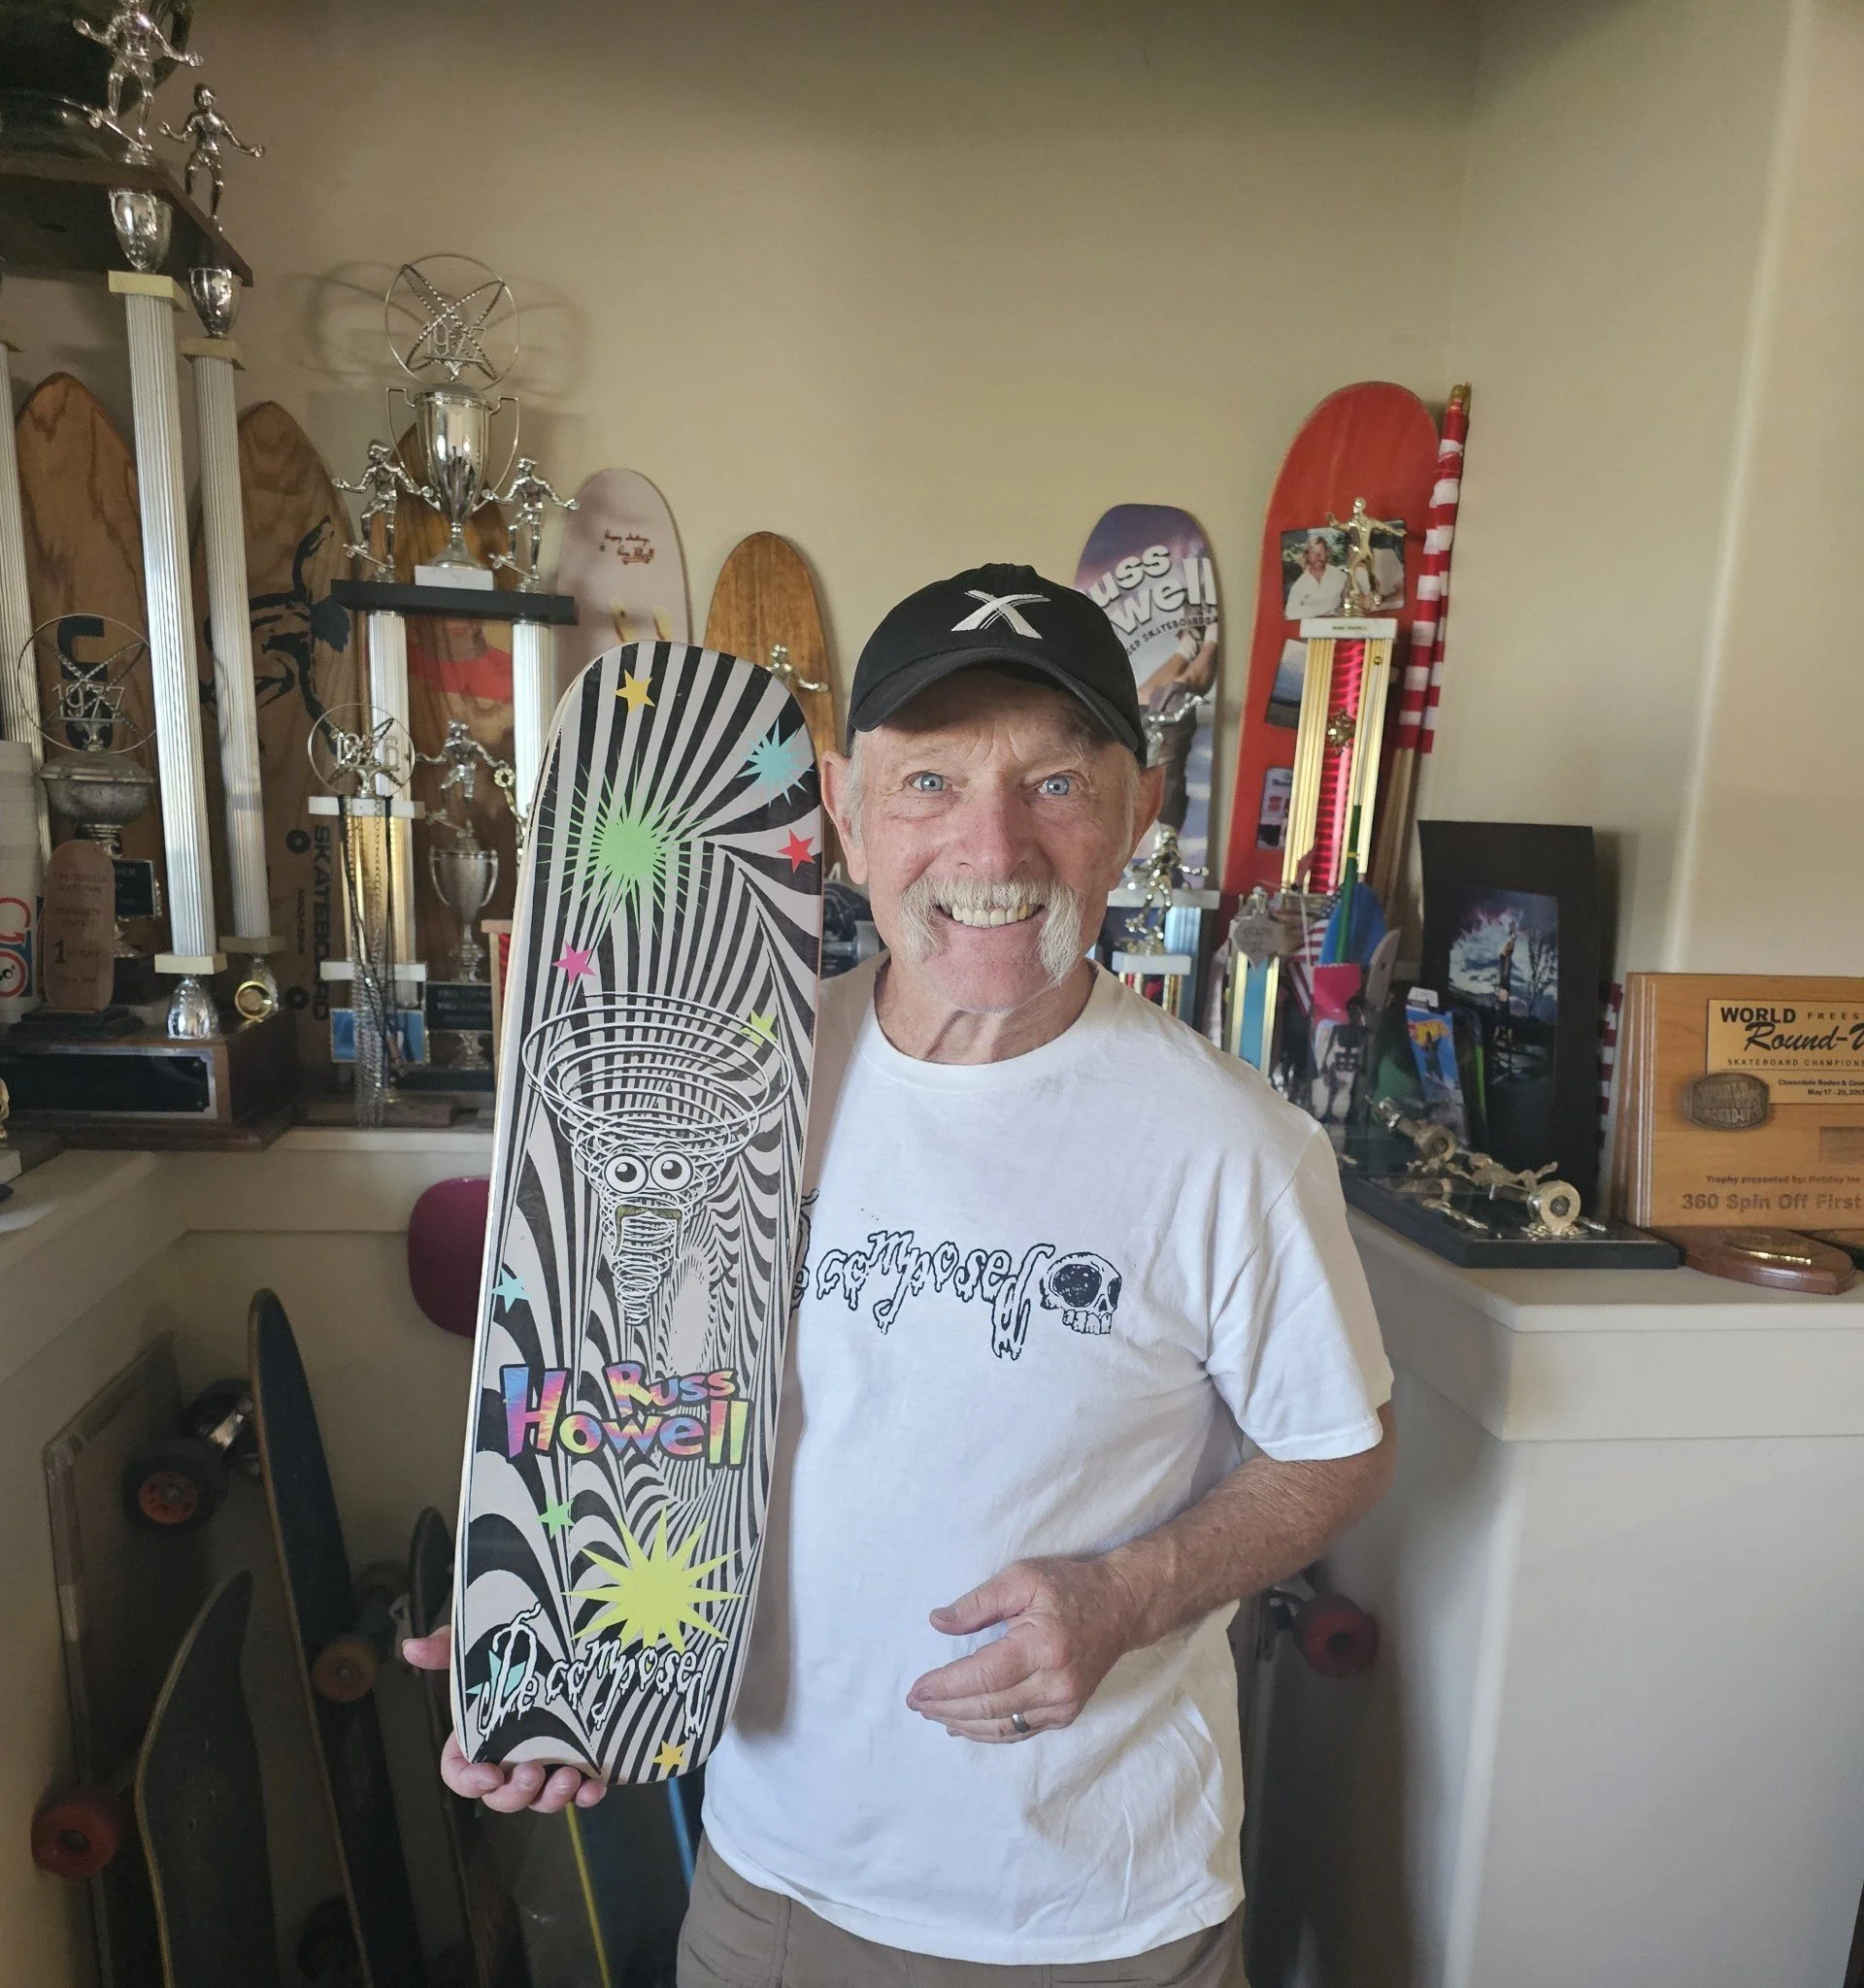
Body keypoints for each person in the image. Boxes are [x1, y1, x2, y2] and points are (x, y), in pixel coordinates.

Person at [407, 563, 1395, 1987]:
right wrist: (560, 1628)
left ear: (1132, 816)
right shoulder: (719, 1079)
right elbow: (630, 1401)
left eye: (1054, 784)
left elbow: (1340, 1447)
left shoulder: (1236, 1146)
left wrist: (1134, 1591)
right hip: (775, 1890)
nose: (991, 845)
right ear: (845, 814)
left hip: (1099, 1917)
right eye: (930, 781)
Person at [1282, 534, 1347, 620]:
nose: (1318, 556)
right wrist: (1329, 610)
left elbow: (1349, 605)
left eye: (1321, 551)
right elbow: (1290, 613)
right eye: (1313, 552)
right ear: (1307, 555)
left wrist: (1308, 610)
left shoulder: (1340, 576)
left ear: (1327, 553)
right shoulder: (1300, 584)